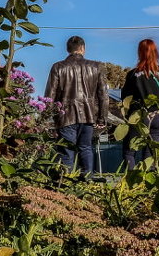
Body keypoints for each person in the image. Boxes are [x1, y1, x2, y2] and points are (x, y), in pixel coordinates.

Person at [44, 35, 110, 174]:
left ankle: (66, 184)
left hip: (65, 116)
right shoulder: (96, 67)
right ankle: (87, 180)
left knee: (66, 151)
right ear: (83, 49)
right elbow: (103, 95)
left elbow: (50, 96)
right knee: (85, 148)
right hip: (88, 115)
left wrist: (49, 119)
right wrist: (102, 118)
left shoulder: (57, 67)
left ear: (68, 49)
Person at [120, 39, 159, 169]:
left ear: (140, 53)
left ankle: (131, 180)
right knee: (150, 152)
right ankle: (147, 180)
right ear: (155, 52)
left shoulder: (134, 74)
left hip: (140, 116)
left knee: (129, 151)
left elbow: (125, 97)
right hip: (158, 116)